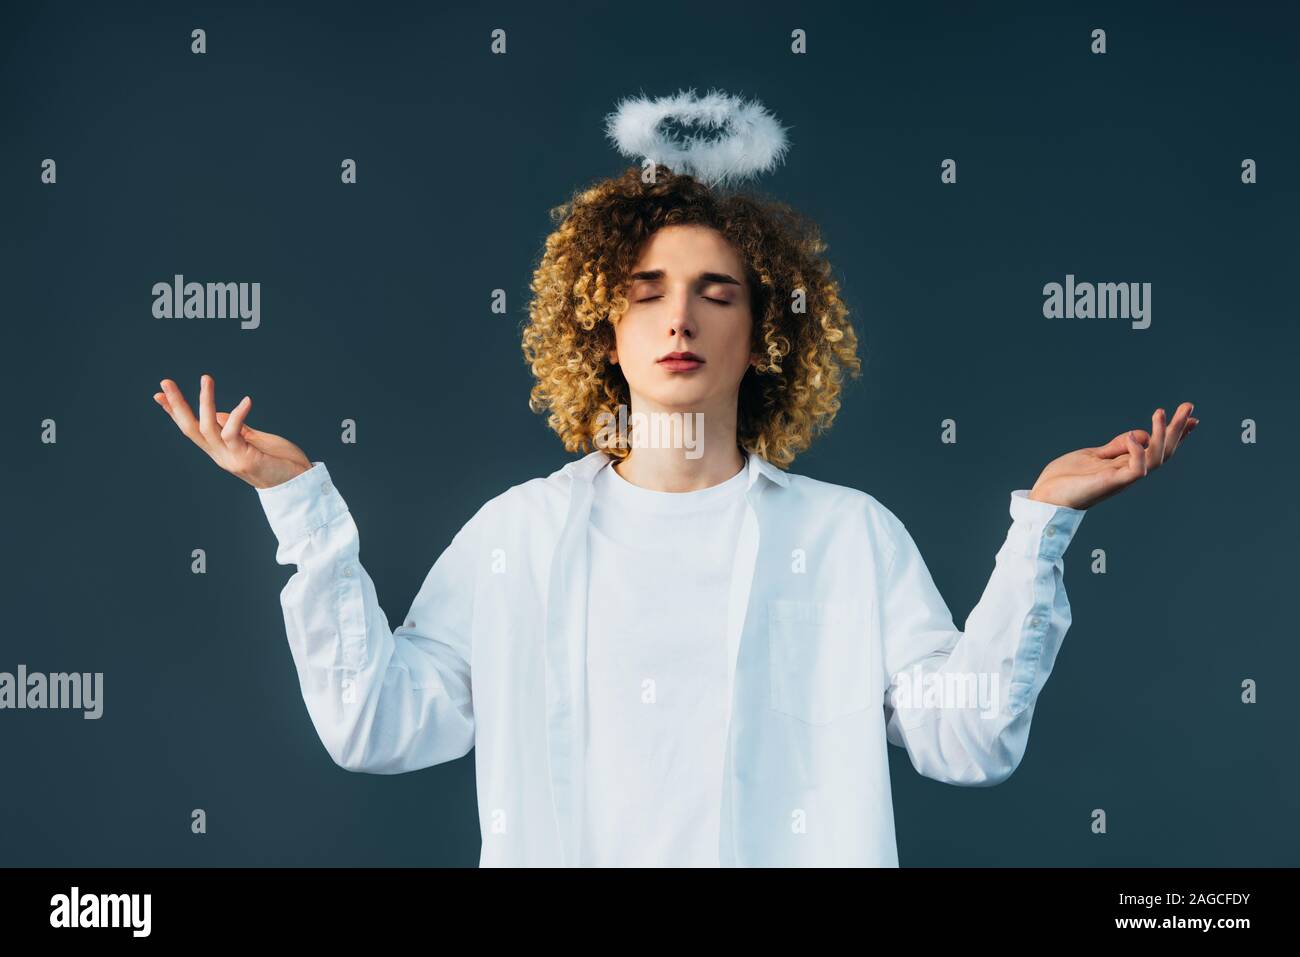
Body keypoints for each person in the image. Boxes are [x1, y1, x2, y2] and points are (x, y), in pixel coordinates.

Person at [153, 166, 1197, 867]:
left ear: (766, 333)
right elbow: (379, 724)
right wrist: (300, 507)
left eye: (716, 292)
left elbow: (967, 740)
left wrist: (1042, 526)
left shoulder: (847, 538)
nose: (681, 318)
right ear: (603, 329)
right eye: (646, 291)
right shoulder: (518, 537)